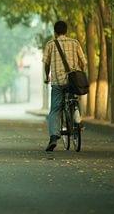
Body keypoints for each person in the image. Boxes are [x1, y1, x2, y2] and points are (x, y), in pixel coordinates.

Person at [43, 20, 87, 152]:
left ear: (55, 32)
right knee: (74, 99)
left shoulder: (50, 44)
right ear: (66, 31)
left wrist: (47, 76)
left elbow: (46, 63)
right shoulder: (75, 43)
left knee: (55, 109)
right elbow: (83, 62)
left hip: (57, 82)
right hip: (73, 81)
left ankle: (54, 137)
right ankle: (77, 119)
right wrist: (81, 73)